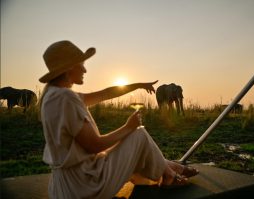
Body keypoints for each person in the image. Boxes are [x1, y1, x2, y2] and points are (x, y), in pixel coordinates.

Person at [38, 40, 199, 199]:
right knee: (138, 134)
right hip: (85, 186)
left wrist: (138, 84)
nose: (85, 69)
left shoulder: (53, 96)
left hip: (65, 187)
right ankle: (169, 174)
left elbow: (106, 93)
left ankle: (168, 167)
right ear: (69, 67)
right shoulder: (66, 98)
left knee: (133, 138)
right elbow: (95, 145)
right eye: (81, 64)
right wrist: (129, 126)